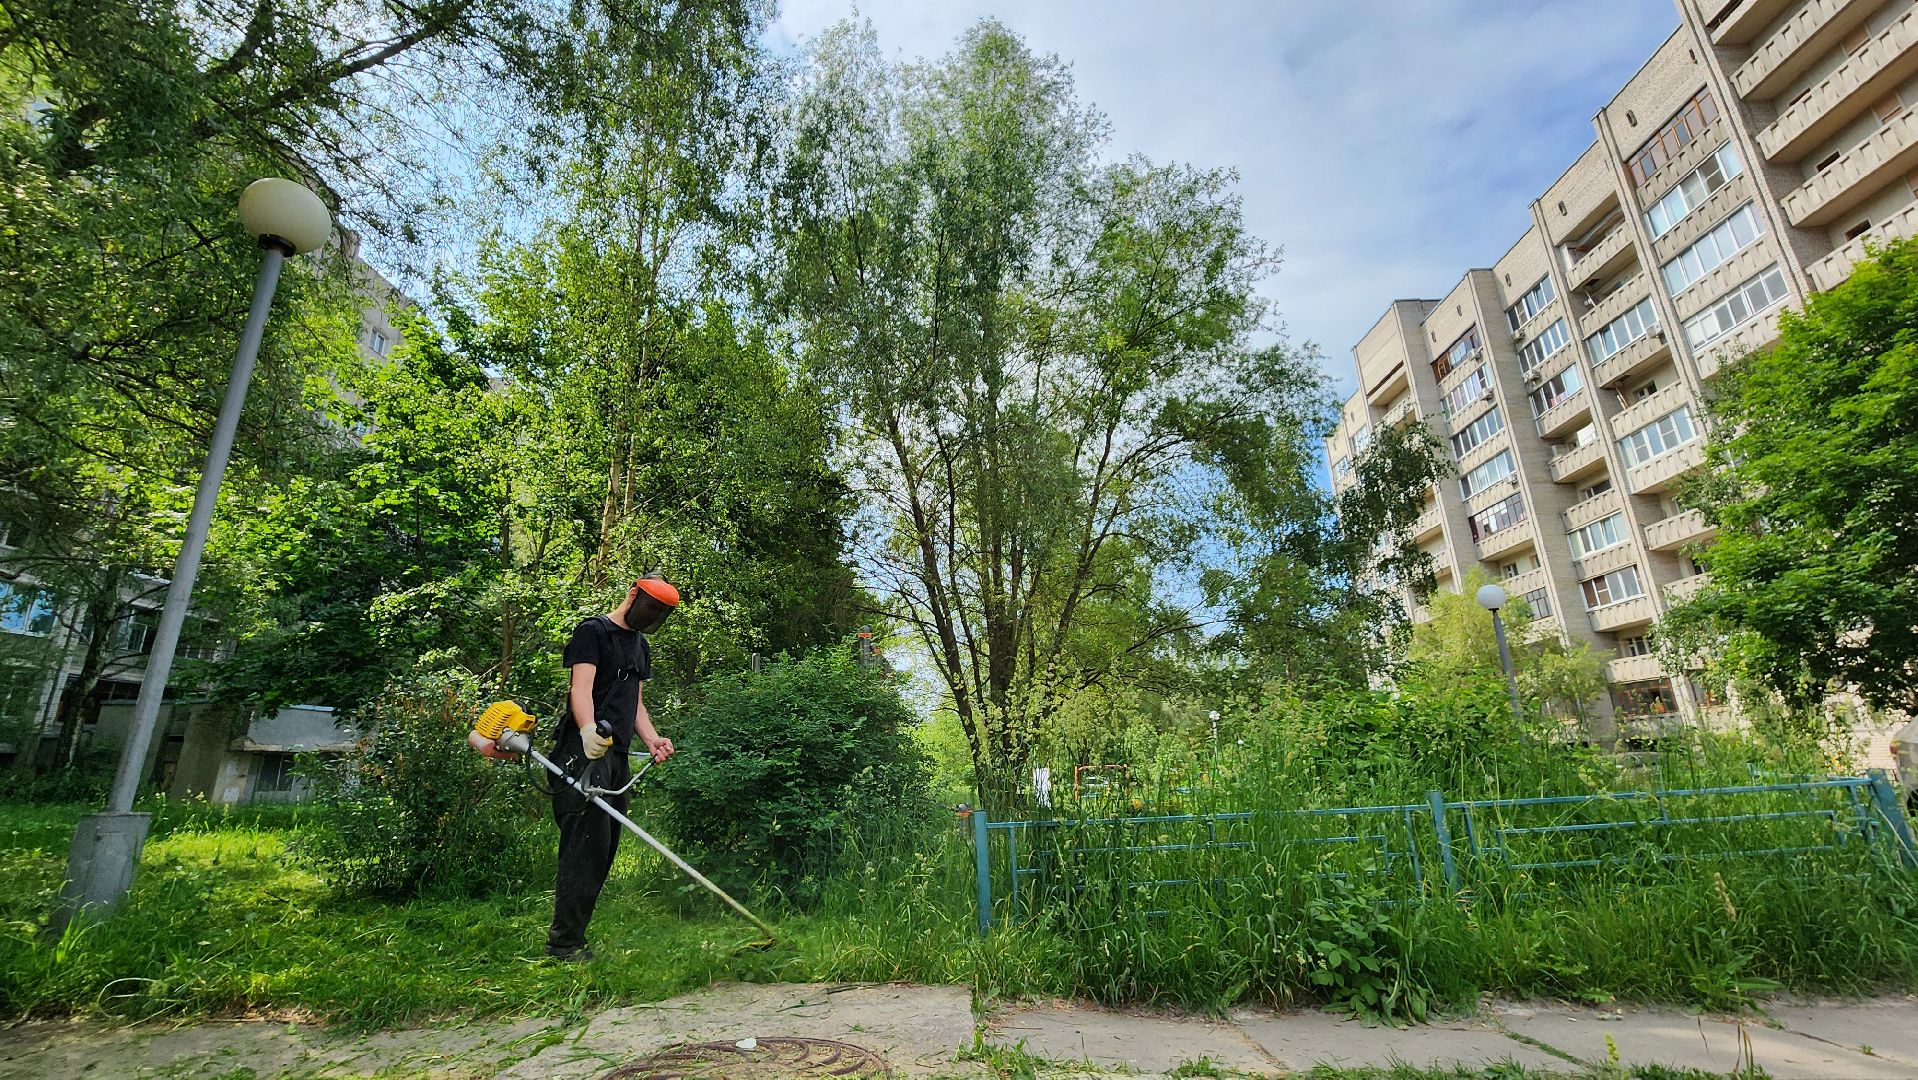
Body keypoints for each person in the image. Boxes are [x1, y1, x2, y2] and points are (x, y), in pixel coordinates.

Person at [546, 572, 679, 962]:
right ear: (633, 594)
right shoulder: (593, 631)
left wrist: (652, 738)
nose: (652, 615)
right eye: (650, 606)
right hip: (583, 752)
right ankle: (563, 943)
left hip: (616, 757)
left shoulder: (640, 645)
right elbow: (581, 688)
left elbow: (634, 703)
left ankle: (573, 937)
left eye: (661, 612)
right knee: (584, 847)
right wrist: (587, 729)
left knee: (604, 849)